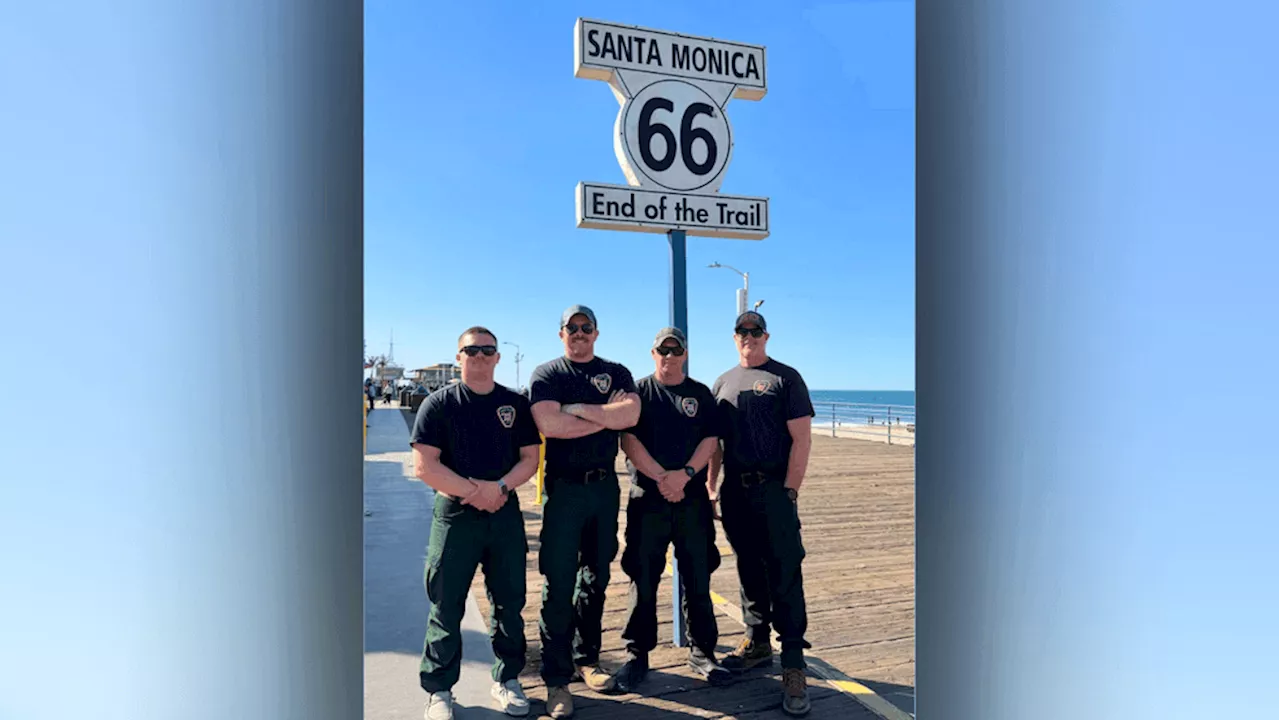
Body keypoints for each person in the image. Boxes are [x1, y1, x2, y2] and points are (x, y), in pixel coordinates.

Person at [410, 326, 542, 720]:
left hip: (503, 513)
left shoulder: (513, 404)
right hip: (455, 516)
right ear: (459, 356)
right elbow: (424, 467)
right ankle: (439, 690)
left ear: (498, 357)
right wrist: (474, 491)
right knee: (446, 604)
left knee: (509, 601)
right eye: (472, 351)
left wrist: (498, 487)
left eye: (488, 350)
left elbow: (530, 459)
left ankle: (508, 679)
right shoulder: (438, 404)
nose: (481, 357)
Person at [529, 305, 641, 719]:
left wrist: (575, 409)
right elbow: (550, 425)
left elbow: (630, 413)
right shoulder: (546, 375)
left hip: (604, 489)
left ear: (597, 332)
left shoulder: (616, 371)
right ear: (561, 334)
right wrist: (604, 416)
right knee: (558, 581)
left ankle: (586, 658)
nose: (579, 333)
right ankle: (557, 678)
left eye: (586, 327)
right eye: (571, 328)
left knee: (596, 574)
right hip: (563, 491)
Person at [708, 311, 816, 717]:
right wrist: (711, 484)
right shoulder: (721, 382)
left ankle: (793, 663)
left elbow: (801, 438)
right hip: (735, 490)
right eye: (742, 331)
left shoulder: (786, 378)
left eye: (755, 331)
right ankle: (755, 642)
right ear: (733, 337)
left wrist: (789, 489)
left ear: (766, 336)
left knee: (785, 571)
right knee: (749, 568)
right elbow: (716, 443)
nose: (748, 336)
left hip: (774, 489)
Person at [612, 327, 731, 693]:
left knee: (698, 574)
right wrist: (664, 477)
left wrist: (687, 476)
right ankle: (637, 654)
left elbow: (711, 440)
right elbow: (628, 440)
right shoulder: (638, 393)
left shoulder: (699, 394)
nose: (669, 356)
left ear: (684, 354)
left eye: (675, 350)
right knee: (643, 576)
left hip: (691, 499)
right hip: (647, 497)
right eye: (662, 350)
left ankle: (702, 651)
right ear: (652, 354)